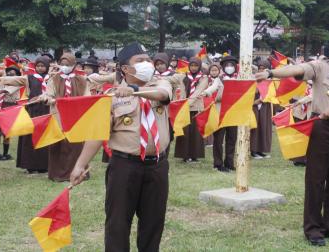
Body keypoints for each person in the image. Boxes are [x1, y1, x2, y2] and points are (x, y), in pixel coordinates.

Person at [255, 32, 329, 246]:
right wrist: (271, 72)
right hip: (322, 126)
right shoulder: (321, 66)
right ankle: (313, 230)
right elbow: (296, 69)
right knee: (316, 178)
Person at [70, 43, 172, 252]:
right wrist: (80, 165)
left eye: (148, 59)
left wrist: (135, 90)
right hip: (125, 166)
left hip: (157, 166)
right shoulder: (111, 96)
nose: (147, 64)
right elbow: (98, 134)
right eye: (140, 60)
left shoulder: (161, 83)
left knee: (153, 223)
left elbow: (163, 95)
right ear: (125, 68)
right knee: (117, 223)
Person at [39, 53, 90, 181]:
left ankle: (78, 171)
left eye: (68, 65)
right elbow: (49, 94)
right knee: (59, 143)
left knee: (76, 144)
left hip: (76, 116)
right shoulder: (54, 79)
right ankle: (58, 173)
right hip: (58, 115)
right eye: (62, 64)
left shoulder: (82, 80)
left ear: (74, 65)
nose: (65, 67)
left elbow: (87, 97)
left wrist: (80, 103)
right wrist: (48, 99)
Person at [0, 56, 51, 173]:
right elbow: (16, 80)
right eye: (38, 66)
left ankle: (44, 165)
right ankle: (30, 164)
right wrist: (1, 79)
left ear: (47, 67)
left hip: (48, 110)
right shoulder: (29, 78)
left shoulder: (51, 78)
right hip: (32, 109)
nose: (40, 68)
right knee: (30, 136)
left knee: (45, 136)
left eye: (43, 66)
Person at [168, 57, 208, 163]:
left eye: (196, 66)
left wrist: (186, 103)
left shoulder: (204, 78)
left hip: (196, 108)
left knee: (196, 133)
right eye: (192, 65)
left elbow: (198, 92)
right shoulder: (183, 76)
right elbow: (171, 79)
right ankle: (184, 156)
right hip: (184, 108)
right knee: (184, 132)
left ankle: (195, 156)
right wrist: (157, 78)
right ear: (189, 66)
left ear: (199, 66)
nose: (194, 68)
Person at [0, 66, 22, 160]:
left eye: (13, 73)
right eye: (9, 73)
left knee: (7, 132)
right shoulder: (2, 81)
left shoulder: (17, 84)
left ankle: (5, 153)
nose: (10, 74)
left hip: (10, 106)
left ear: (17, 75)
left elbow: (4, 91)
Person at [250, 59, 273, 159]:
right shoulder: (253, 79)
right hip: (254, 105)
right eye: (260, 68)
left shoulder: (270, 80)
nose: (261, 71)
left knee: (264, 127)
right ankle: (253, 150)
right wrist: (255, 101)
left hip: (265, 105)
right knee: (255, 128)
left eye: (264, 69)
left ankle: (261, 150)